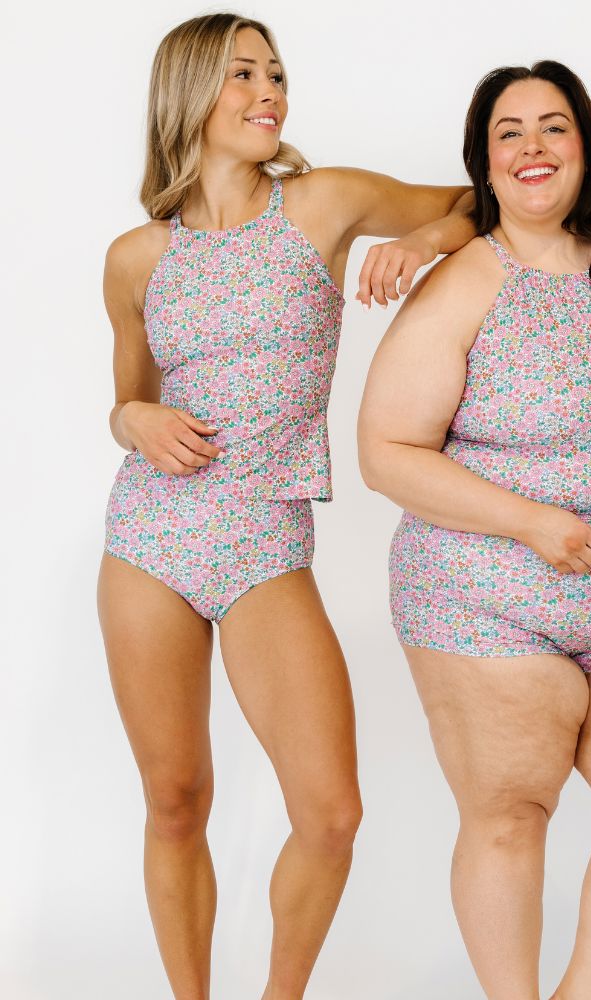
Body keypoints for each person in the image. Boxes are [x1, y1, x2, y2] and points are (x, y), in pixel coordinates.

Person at [97, 13, 474, 1000]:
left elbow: (477, 200)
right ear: (189, 93)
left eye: (276, 74)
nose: (269, 92)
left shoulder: (322, 203)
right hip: (149, 539)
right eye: (243, 75)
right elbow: (125, 402)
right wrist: (135, 418)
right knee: (174, 799)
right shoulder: (135, 257)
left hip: (266, 542)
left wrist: (426, 238)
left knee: (330, 813)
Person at [358, 60, 591, 1000]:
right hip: (482, 598)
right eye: (509, 132)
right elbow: (386, 452)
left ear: (586, 144)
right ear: (485, 164)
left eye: (553, 126)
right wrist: (530, 523)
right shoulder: (464, 282)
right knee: (509, 813)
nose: (533, 147)